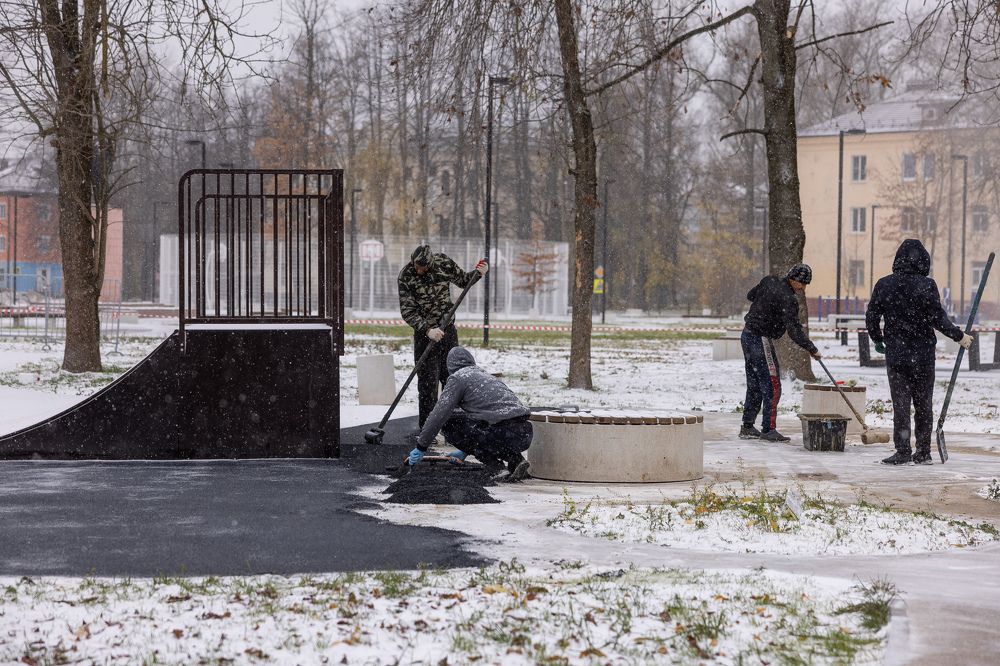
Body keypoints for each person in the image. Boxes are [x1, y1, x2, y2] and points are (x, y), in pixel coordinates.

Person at [866, 239, 972, 465]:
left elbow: (872, 315)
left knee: (901, 405)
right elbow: (938, 319)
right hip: (923, 357)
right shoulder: (927, 285)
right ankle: (923, 452)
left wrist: (877, 338)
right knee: (923, 404)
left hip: (896, 356)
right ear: (923, 261)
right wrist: (959, 336)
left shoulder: (884, 284)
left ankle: (902, 450)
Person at [408, 347, 532, 482]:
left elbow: (438, 415)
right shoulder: (484, 375)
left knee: (450, 423)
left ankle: (496, 467)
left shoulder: (458, 378)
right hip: (523, 432)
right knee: (487, 427)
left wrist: (421, 446)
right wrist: (465, 451)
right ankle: (516, 460)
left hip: (501, 433)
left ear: (450, 365)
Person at [398, 245, 488, 429]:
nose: (419, 270)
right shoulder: (406, 276)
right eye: (416, 265)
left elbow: (463, 280)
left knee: (453, 381)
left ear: (430, 263)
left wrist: (478, 273)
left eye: (422, 267)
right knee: (427, 383)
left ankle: (453, 428)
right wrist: (427, 329)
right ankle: (427, 428)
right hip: (425, 336)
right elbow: (407, 310)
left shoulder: (443, 263)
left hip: (447, 331)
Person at [739, 263, 821, 442]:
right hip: (760, 338)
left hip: (746, 335)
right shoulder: (788, 299)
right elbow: (794, 330)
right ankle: (769, 429)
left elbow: (750, 295)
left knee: (754, 383)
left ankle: (747, 426)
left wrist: (766, 304)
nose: (803, 288)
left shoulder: (769, 280)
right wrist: (811, 348)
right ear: (795, 280)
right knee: (773, 385)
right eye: (803, 284)